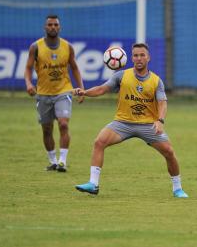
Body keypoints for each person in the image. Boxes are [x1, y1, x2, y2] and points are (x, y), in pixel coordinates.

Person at [73, 43, 188, 198]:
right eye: (135, 55)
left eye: (142, 55)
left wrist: (160, 120)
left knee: (169, 152)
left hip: (148, 124)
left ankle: (178, 189)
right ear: (131, 57)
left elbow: (162, 103)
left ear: (148, 57)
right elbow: (102, 89)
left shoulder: (156, 81)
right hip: (123, 123)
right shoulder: (121, 76)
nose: (138, 58)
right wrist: (85, 92)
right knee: (99, 142)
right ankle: (93, 184)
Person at [24, 15, 84, 172]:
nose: (53, 27)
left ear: (60, 27)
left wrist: (81, 88)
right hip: (43, 93)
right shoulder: (35, 47)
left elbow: (75, 68)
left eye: (55, 24)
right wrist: (29, 83)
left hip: (63, 91)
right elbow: (28, 68)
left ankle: (63, 161)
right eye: (50, 24)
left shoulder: (67, 47)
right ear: (45, 27)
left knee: (63, 124)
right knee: (47, 129)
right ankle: (53, 161)